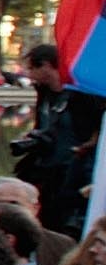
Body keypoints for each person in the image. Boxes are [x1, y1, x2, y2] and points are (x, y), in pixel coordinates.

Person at [21, 42, 106, 235]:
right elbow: (42, 124)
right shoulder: (45, 93)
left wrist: (90, 144)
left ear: (46, 65)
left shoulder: (82, 94)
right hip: (45, 169)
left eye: (32, 68)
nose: (29, 74)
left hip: (74, 168)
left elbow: (99, 121)